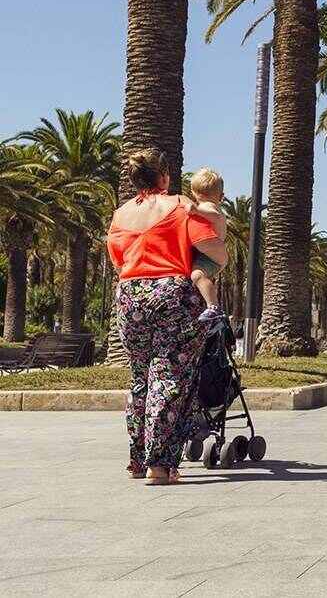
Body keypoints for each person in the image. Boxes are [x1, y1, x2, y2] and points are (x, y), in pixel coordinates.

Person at [107, 149, 227, 485]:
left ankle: (136, 459)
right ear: (165, 176)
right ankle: (159, 465)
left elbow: (118, 260)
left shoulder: (120, 214)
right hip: (172, 294)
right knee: (169, 379)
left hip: (129, 295)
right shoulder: (180, 207)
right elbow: (216, 250)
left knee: (140, 378)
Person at [187, 168, 227, 311]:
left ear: (193, 193)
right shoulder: (208, 206)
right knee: (200, 279)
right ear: (221, 195)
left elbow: (214, 215)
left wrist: (197, 211)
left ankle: (213, 308)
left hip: (211, 258)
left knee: (197, 275)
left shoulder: (209, 207)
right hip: (209, 256)